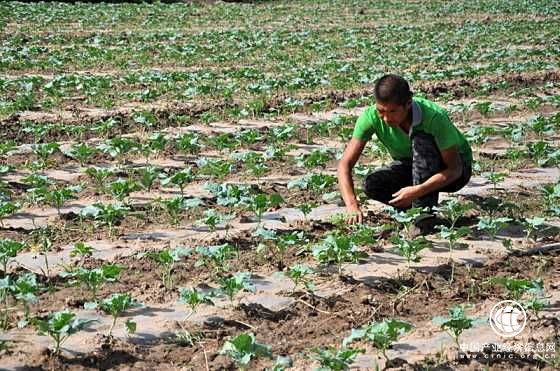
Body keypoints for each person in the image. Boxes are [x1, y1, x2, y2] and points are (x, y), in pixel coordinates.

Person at [337, 74, 472, 227]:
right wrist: (352, 205)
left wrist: (417, 191)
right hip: (413, 166)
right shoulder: (370, 117)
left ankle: (424, 218)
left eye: (392, 111)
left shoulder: (433, 117)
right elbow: (344, 165)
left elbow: (455, 169)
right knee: (373, 184)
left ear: (408, 103)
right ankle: (413, 210)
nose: (386, 118)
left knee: (422, 142)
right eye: (381, 111)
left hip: (456, 171)